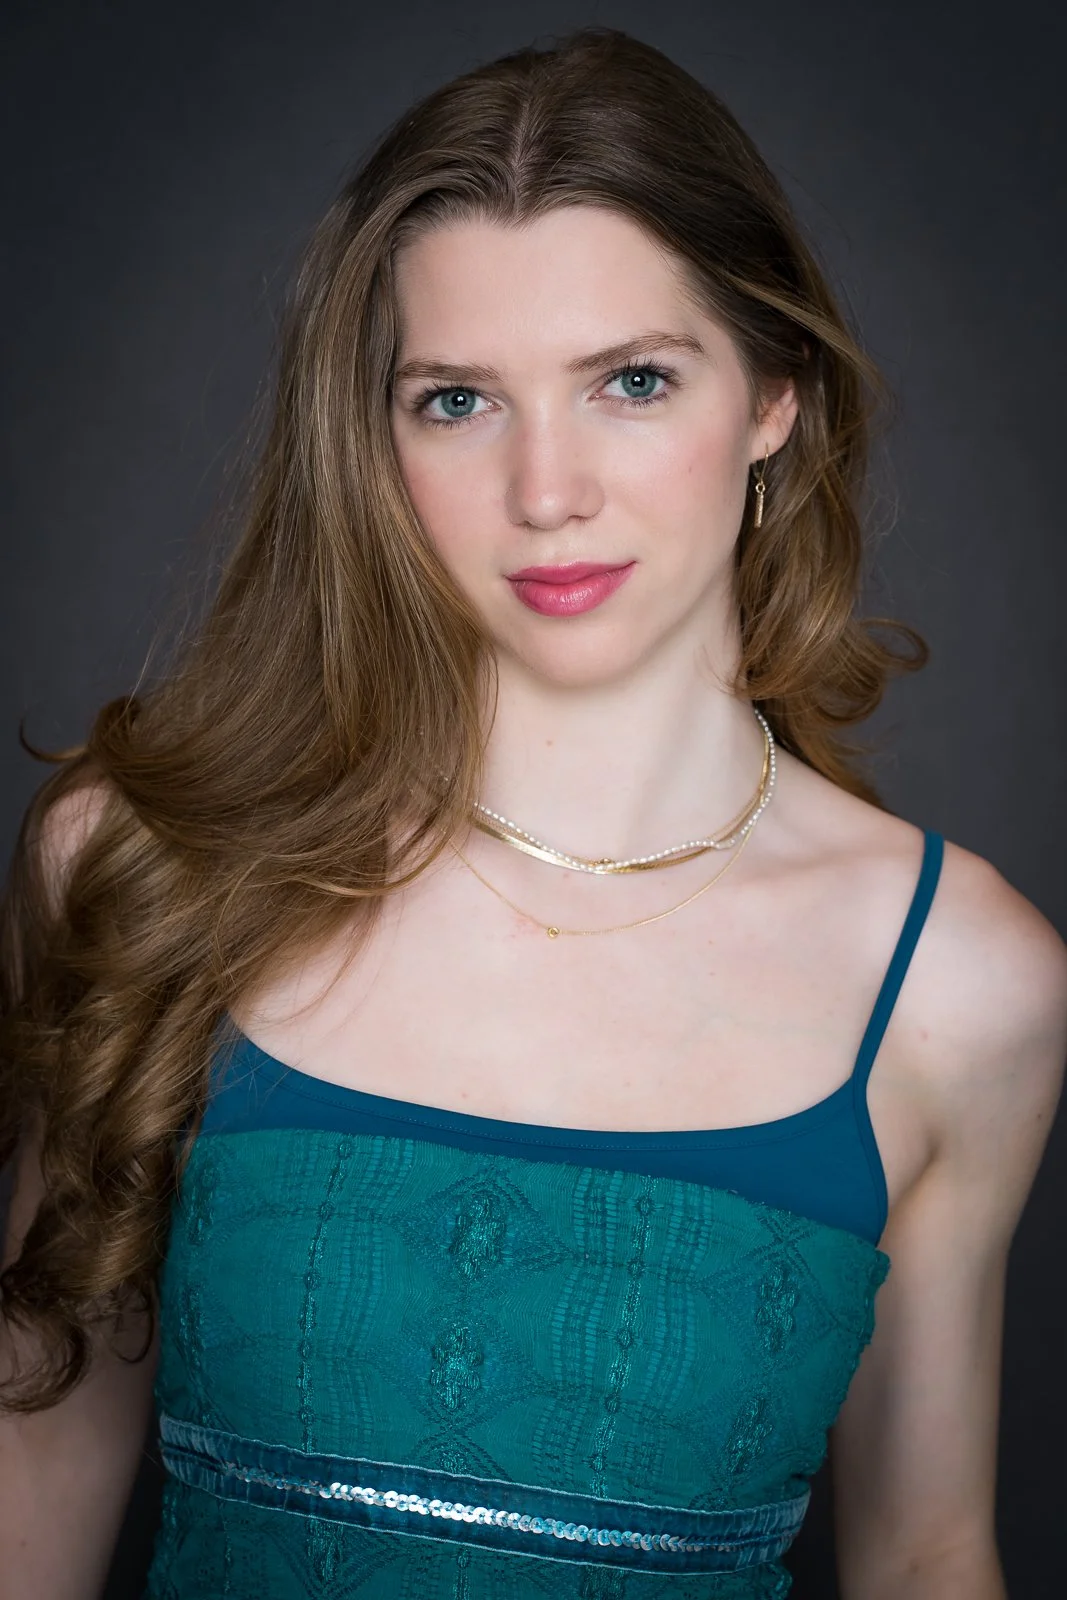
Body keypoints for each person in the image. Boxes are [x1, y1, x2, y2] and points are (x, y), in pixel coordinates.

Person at [2, 25, 1065, 1600]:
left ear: (773, 396)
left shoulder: (961, 985)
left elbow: (923, 1551)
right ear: (371, 437)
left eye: (632, 382)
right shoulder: (149, 864)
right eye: (456, 401)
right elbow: (28, 1464)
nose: (546, 490)